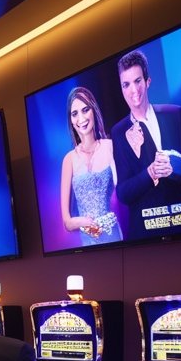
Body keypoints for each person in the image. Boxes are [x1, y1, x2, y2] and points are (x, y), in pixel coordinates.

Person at [111, 49, 181, 240]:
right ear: (121, 89)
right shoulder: (118, 132)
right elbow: (123, 193)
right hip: (146, 236)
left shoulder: (175, 114)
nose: (133, 91)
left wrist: (174, 165)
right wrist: (150, 173)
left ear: (147, 81)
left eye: (137, 81)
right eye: (126, 84)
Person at [59, 86, 122, 245]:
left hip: (112, 234)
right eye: (75, 113)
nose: (81, 118)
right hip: (87, 241)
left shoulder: (110, 146)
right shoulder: (69, 160)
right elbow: (67, 222)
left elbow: (122, 190)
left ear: (93, 110)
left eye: (85, 110)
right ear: (71, 120)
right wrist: (83, 222)